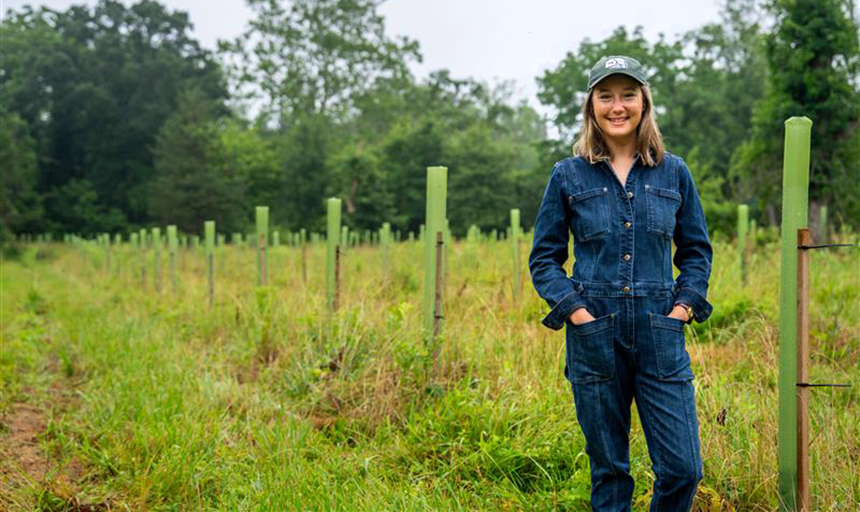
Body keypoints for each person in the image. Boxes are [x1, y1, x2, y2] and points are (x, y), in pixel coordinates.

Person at [529, 55, 714, 512]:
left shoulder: (674, 172)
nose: (617, 106)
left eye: (627, 95)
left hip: (660, 332)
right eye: (605, 96)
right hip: (594, 333)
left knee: (682, 469)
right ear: (591, 106)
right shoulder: (568, 175)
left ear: (644, 102)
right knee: (610, 473)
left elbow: (696, 252)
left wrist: (682, 309)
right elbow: (544, 259)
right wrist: (577, 312)